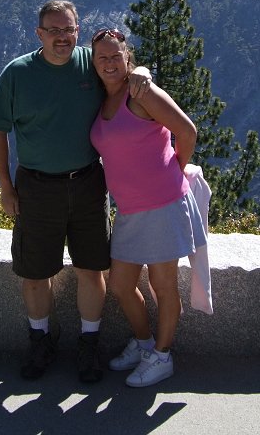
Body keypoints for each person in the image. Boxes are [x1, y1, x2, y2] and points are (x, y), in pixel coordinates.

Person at [0, 0, 152, 383]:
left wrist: (142, 70)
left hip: (88, 184)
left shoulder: (90, 64)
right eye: (54, 30)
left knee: (91, 270)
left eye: (69, 30)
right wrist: (6, 187)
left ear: (78, 31)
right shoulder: (17, 73)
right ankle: (40, 340)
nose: (62, 37)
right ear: (39, 33)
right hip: (36, 187)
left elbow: (121, 68)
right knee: (34, 273)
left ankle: (88, 345)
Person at [90, 28, 206, 388]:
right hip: (129, 209)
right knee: (121, 285)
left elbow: (187, 132)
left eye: (116, 56)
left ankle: (162, 355)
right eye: (102, 57)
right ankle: (144, 344)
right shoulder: (102, 97)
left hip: (163, 204)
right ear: (94, 62)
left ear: (128, 58)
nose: (109, 63)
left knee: (163, 284)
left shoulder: (141, 92)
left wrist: (174, 169)